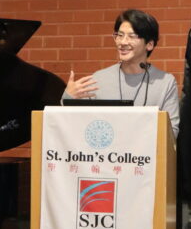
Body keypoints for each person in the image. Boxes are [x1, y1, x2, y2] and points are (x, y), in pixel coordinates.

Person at [63, 9, 180, 137]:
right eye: (119, 35)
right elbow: (75, 126)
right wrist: (68, 97)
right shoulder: (98, 79)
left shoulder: (165, 82)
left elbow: (171, 132)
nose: (123, 42)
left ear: (149, 44)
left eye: (131, 36)